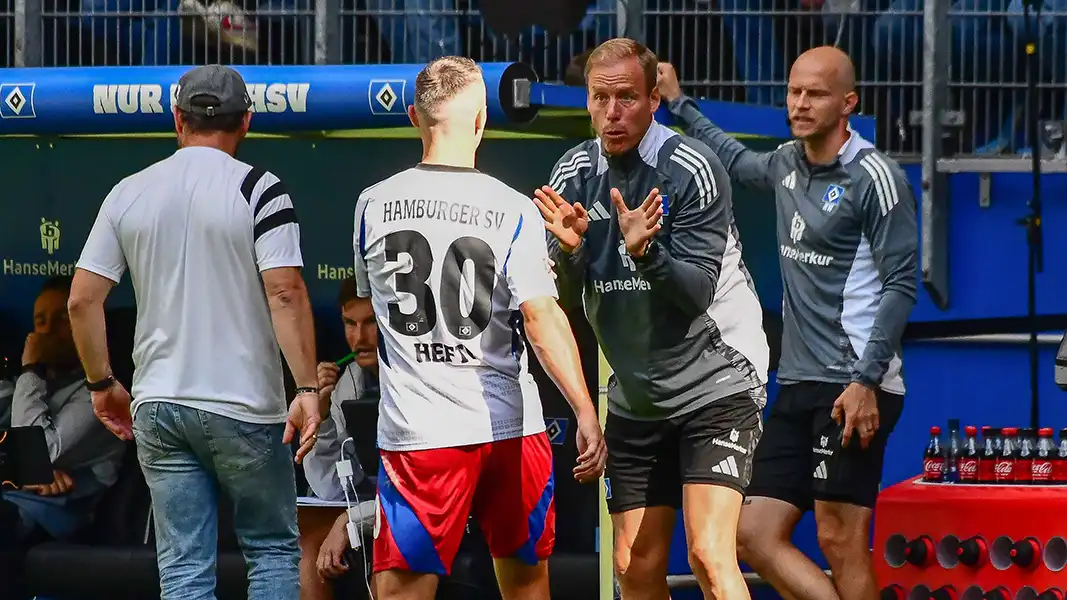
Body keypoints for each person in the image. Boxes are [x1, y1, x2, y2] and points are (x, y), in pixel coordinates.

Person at [658, 46, 917, 600]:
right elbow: (732, 158)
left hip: (854, 384)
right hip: (798, 384)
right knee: (751, 533)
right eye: (794, 91)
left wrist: (866, 380)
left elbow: (902, 284)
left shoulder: (876, 177)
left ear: (848, 102)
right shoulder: (786, 163)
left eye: (815, 94)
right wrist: (679, 104)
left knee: (839, 539)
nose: (799, 104)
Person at [67, 64, 324, 600]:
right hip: (246, 406)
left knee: (184, 568)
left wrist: (101, 384)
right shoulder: (261, 189)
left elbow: (81, 301)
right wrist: (305, 389)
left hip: (158, 403)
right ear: (246, 122)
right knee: (273, 550)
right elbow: (285, 291)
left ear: (177, 120)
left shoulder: (127, 192)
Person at [353, 55, 607, 600]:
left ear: (414, 119)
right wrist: (585, 410)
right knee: (525, 588)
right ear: (480, 121)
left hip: (420, 434)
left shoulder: (370, 205)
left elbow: (370, 305)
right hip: (510, 429)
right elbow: (541, 317)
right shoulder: (512, 207)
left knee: (401, 589)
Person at [536, 37, 769, 600]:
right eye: (600, 99)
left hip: (718, 381)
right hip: (638, 397)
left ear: (654, 100)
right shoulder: (571, 174)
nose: (612, 114)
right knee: (632, 568)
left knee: (710, 555)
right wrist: (568, 253)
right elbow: (565, 297)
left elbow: (694, 294)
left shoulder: (692, 168)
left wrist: (646, 254)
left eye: (627, 98)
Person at [0, 276, 126, 600]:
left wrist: (31, 370)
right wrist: (14, 470)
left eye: (61, 321)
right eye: (40, 321)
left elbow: (34, 456)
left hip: (57, 514)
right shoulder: (21, 388)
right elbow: (27, 462)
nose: (46, 332)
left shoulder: (101, 395)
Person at [300, 278, 381, 600]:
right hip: (373, 508)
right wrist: (319, 417)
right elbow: (331, 488)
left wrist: (350, 520)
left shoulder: (423, 382)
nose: (358, 338)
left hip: (422, 512)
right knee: (306, 544)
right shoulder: (347, 383)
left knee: (394, 547)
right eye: (349, 323)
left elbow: (419, 494)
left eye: (371, 323)